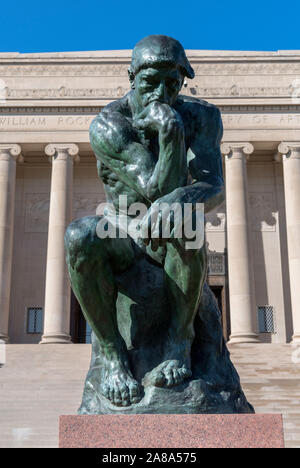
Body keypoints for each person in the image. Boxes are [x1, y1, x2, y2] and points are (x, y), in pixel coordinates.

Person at [65, 35, 225, 407]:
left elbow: (213, 184)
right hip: (122, 228)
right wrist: (170, 133)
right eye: (151, 80)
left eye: (173, 82)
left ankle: (178, 341)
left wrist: (184, 196)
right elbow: (152, 189)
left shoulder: (203, 116)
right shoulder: (109, 124)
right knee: (79, 235)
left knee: (183, 222)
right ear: (131, 76)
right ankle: (111, 353)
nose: (162, 91)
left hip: (169, 230)